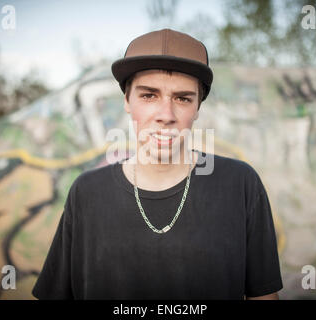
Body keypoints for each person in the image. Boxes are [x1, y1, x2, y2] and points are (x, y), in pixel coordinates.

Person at [32, 28, 283, 300]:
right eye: (149, 95)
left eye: (183, 98)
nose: (166, 115)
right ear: (127, 101)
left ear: (197, 108)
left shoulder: (240, 184)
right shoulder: (87, 192)